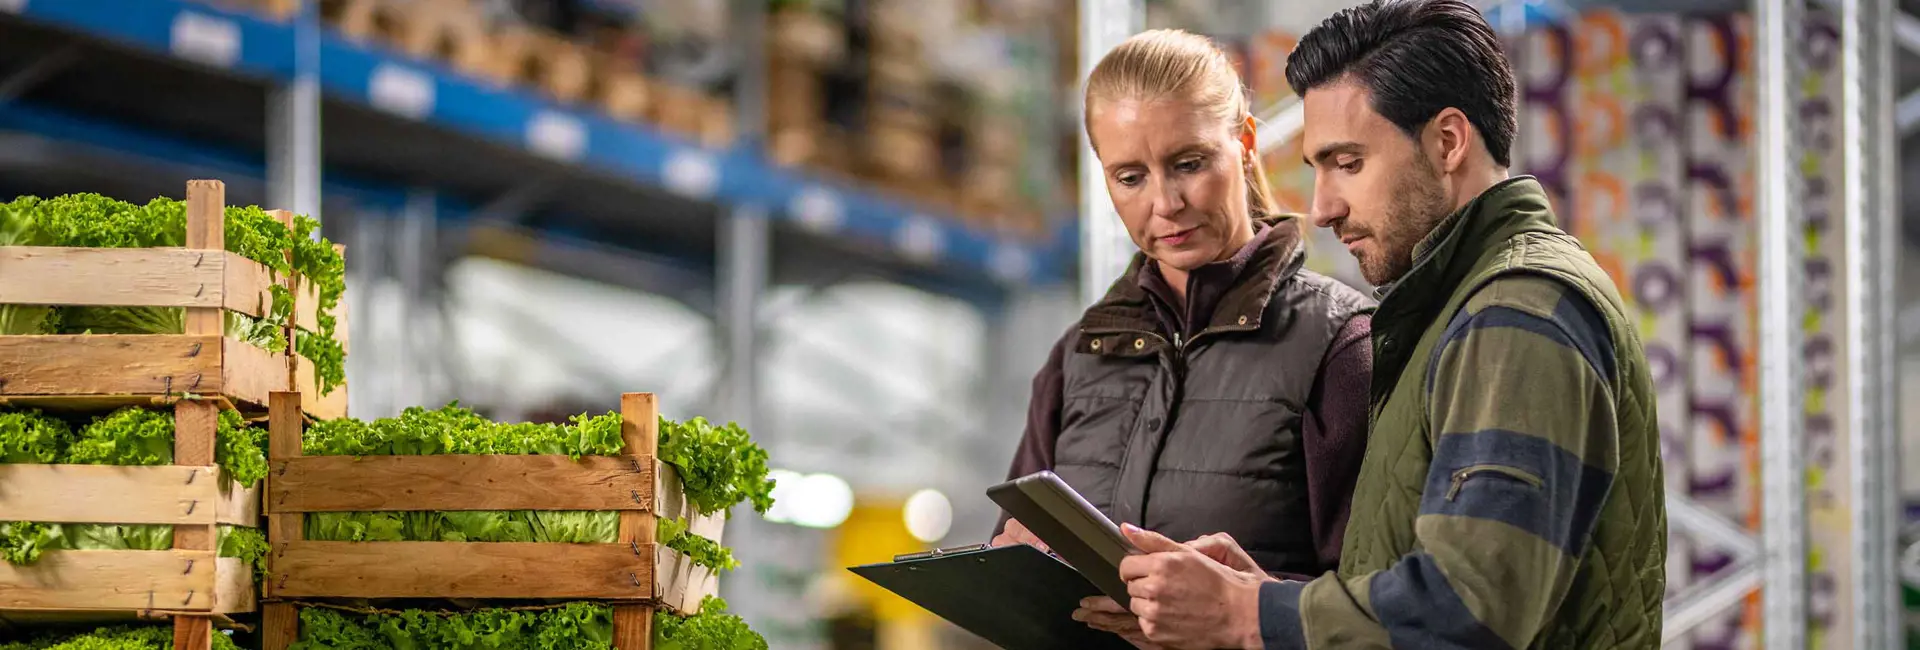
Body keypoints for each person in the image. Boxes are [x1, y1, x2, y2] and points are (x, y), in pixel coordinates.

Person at [1074, 1, 1668, 648]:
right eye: (1317, 168)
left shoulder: (1515, 314)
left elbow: (1473, 609)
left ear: (1447, 141)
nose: (1323, 208)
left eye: (1348, 163)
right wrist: (1264, 600)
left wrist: (1248, 615)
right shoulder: (1456, 310)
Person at [988, 28, 1376, 645]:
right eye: (1130, 177)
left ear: (1245, 143)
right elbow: (1013, 546)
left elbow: (1381, 605)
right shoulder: (1079, 354)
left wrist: (1233, 617)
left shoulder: (1340, 345)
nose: (1164, 204)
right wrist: (1014, 563)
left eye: (1188, 164)